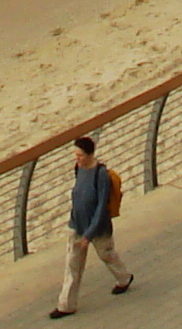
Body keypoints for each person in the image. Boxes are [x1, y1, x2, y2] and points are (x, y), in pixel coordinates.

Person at [47, 136, 132, 317]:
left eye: (80, 156)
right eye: (75, 156)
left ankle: (124, 278)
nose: (77, 160)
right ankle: (66, 306)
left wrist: (89, 234)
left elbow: (102, 206)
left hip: (98, 228)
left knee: (107, 255)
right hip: (77, 226)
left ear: (89, 154)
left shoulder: (100, 174)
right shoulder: (78, 168)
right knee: (72, 265)